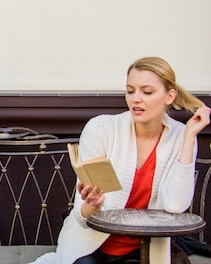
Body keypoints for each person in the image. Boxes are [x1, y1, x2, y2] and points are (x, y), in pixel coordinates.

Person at [31, 56, 210, 264]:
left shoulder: (181, 135)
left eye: (147, 92)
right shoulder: (101, 129)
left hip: (144, 250)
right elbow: (81, 216)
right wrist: (93, 205)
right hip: (90, 247)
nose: (136, 99)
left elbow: (175, 205)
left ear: (169, 96)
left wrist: (189, 138)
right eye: (130, 90)